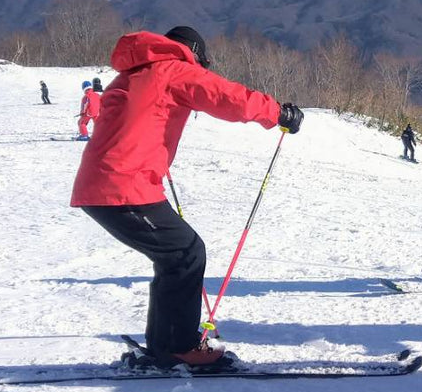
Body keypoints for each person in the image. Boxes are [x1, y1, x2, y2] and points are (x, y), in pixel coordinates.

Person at [71, 25, 304, 368]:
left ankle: (167, 344)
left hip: (114, 182)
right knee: (185, 253)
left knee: (176, 256)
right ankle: (178, 347)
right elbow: (228, 97)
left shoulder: (134, 72)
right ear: (193, 53)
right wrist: (279, 114)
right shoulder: (173, 69)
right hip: (121, 185)